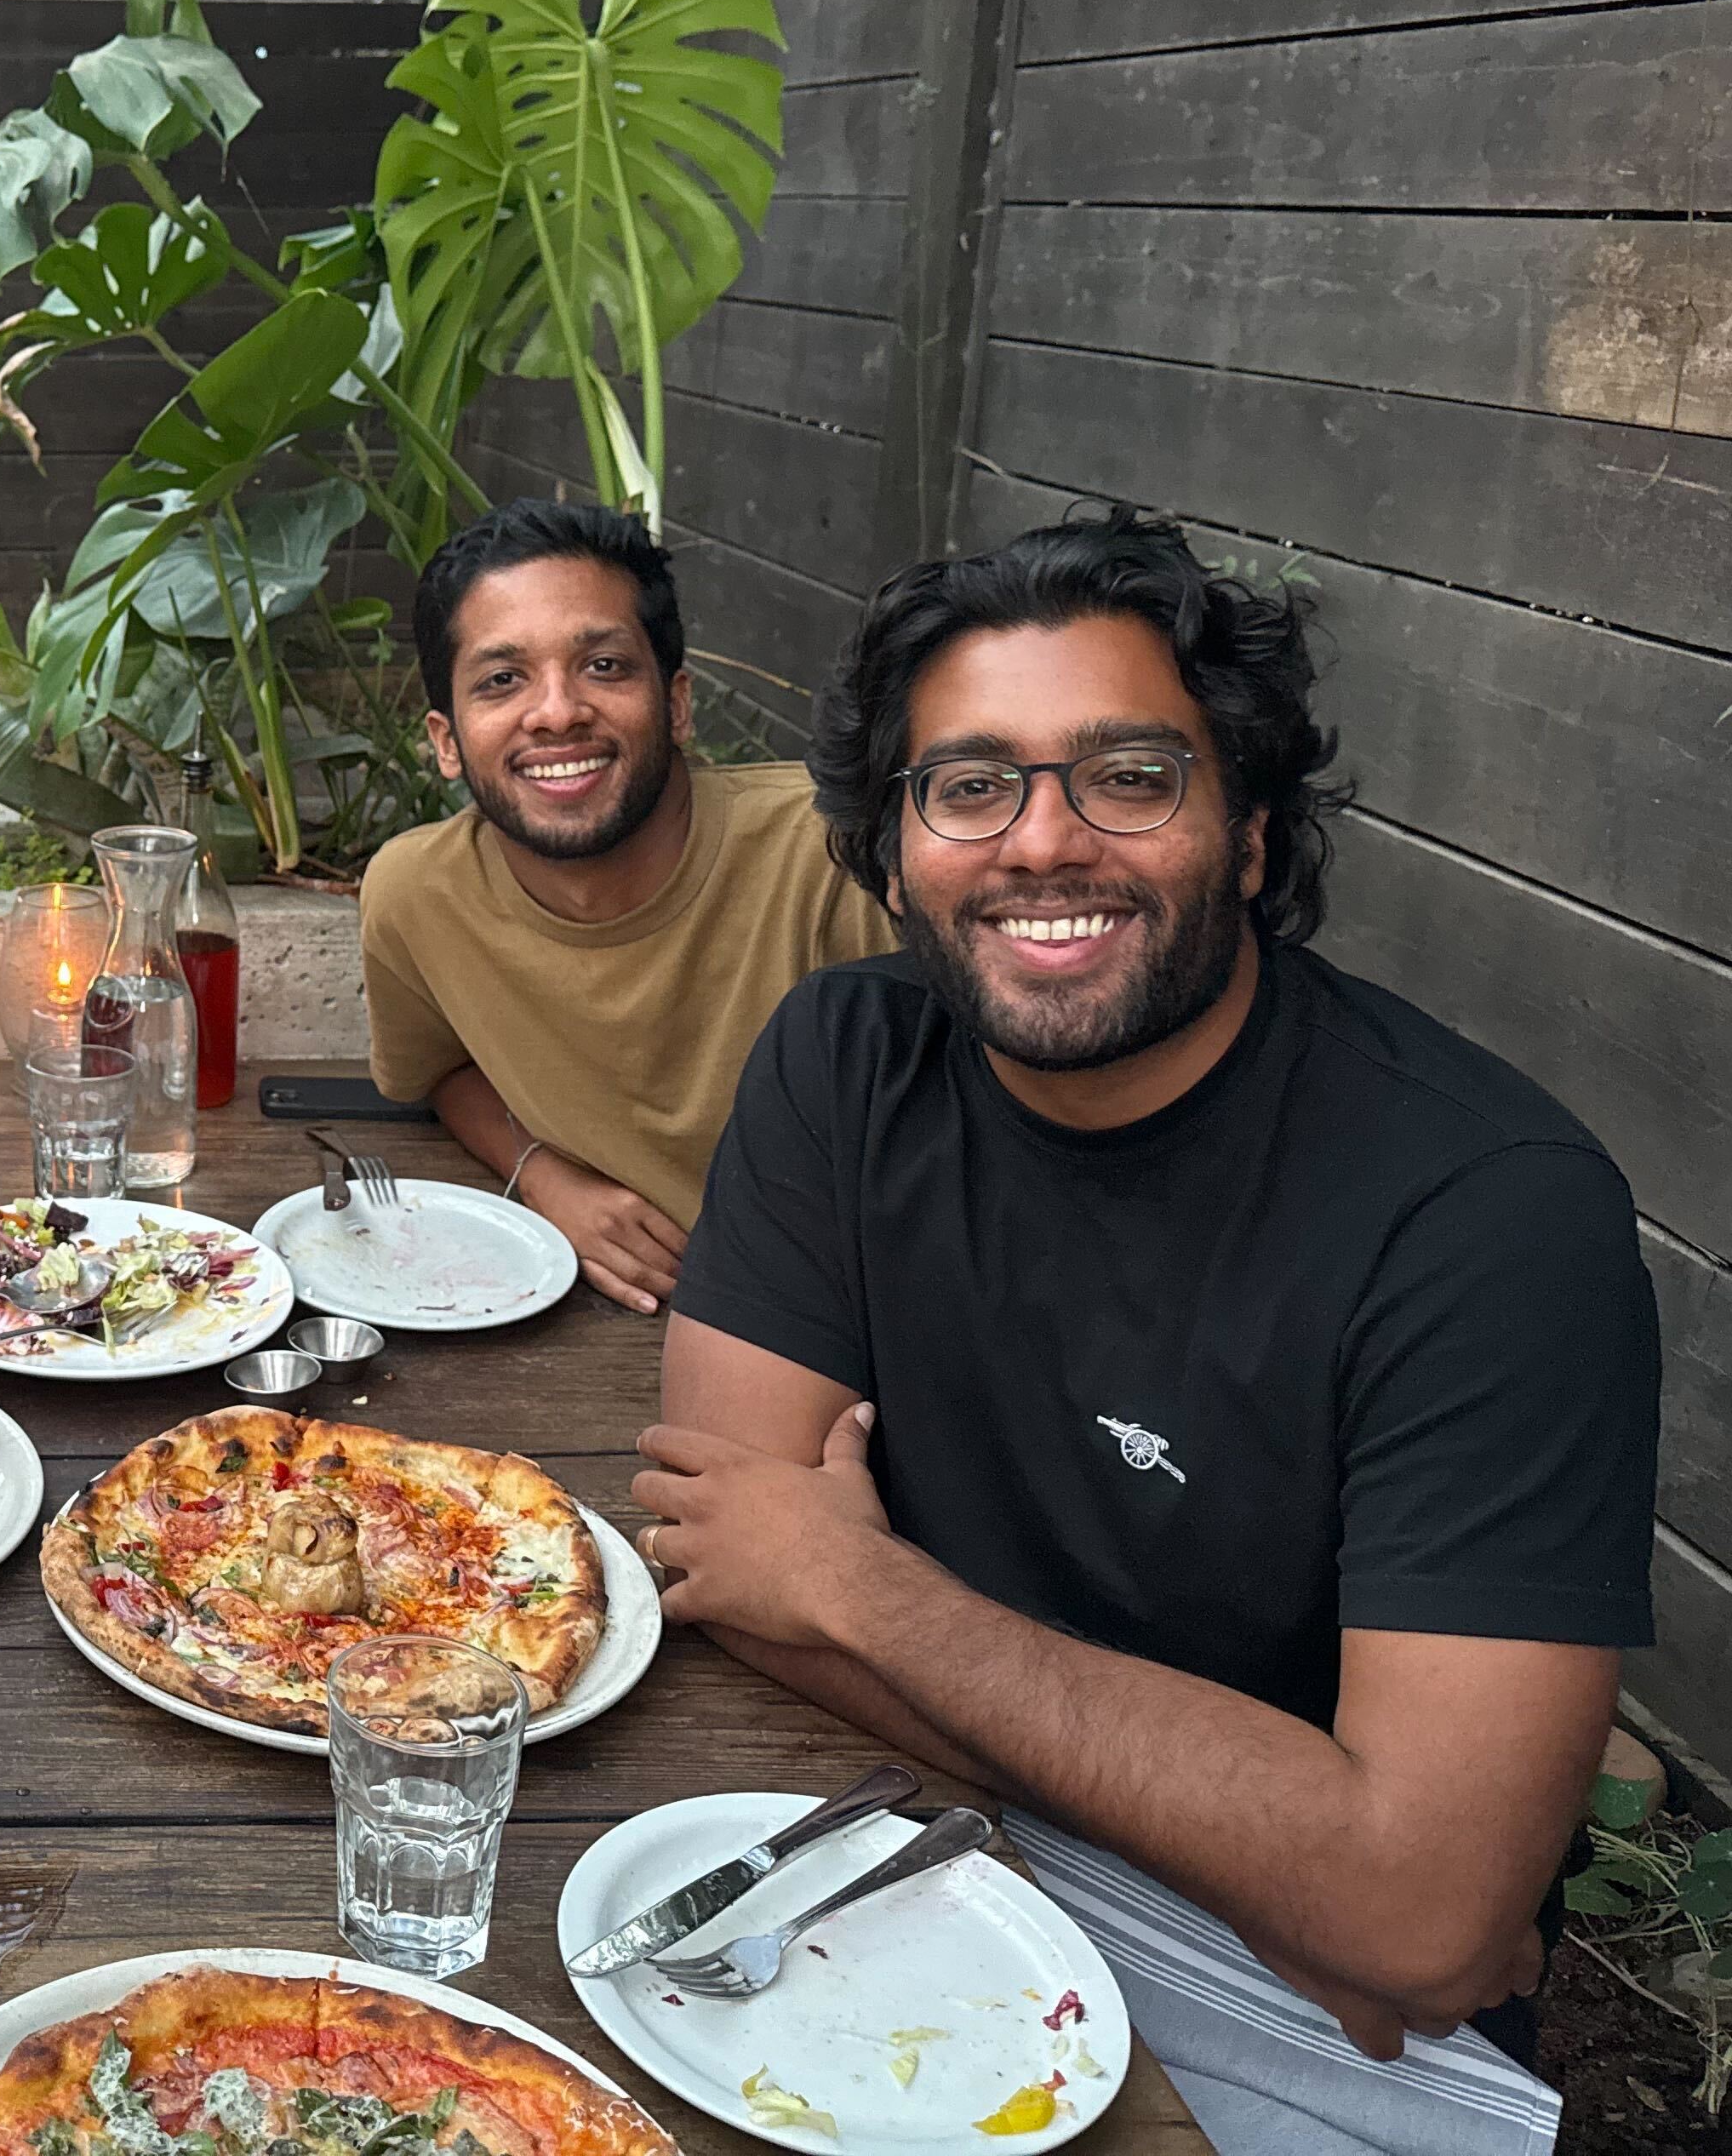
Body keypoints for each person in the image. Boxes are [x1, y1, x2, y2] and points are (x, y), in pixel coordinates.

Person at [640, 508, 1655, 2153]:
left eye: (1129, 774)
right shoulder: (846, 1059)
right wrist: (1248, 1862)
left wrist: (863, 1586)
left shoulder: (1488, 1216)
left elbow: (1422, 1917)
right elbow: (723, 1554)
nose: (1043, 840)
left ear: (1248, 832)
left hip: (1327, 2040)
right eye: (969, 783)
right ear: (889, 851)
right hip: (936, 1873)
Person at [360, 498, 893, 1310]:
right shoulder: (417, 896)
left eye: (604, 666)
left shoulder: (838, 860)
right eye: (502, 681)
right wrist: (544, 1176)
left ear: (676, 704)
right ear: (446, 741)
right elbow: (440, 1071)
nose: (557, 712)